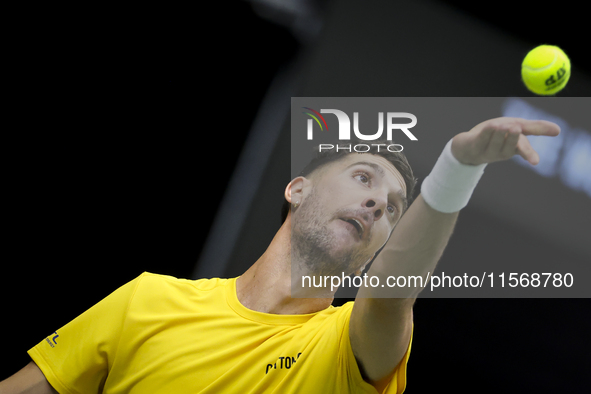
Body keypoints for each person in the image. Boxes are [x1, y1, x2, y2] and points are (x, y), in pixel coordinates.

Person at [0, 117, 560, 393]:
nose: (375, 202)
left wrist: (457, 168)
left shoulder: (349, 347)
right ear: (297, 189)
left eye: (392, 208)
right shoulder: (147, 298)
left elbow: (389, 296)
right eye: (362, 178)